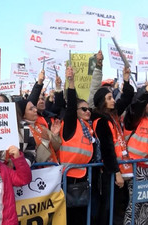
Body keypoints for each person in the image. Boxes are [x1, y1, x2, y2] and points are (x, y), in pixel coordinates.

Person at [91, 66, 134, 225]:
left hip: (117, 168)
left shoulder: (113, 114)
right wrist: (116, 173)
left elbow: (128, 97)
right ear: (102, 101)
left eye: (112, 97)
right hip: (108, 171)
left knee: (114, 205)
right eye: (109, 98)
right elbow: (107, 150)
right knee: (107, 206)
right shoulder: (101, 120)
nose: (113, 100)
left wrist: (126, 79)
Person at [60, 66, 98, 225]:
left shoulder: (89, 128)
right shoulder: (71, 124)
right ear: (75, 111)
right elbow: (69, 108)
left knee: (83, 216)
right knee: (72, 217)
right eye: (83, 109)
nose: (88, 111)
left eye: (89, 109)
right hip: (70, 178)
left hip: (85, 177)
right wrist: (71, 82)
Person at [123, 68, 148, 224]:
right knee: (135, 203)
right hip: (135, 167)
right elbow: (137, 102)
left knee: (147, 203)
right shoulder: (134, 119)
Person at [15, 98, 61, 165]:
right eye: (31, 109)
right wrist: (45, 143)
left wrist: (54, 135)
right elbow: (36, 158)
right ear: (23, 114)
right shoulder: (23, 131)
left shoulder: (40, 126)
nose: (36, 110)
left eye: (34, 107)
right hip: (38, 171)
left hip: (52, 168)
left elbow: (56, 148)